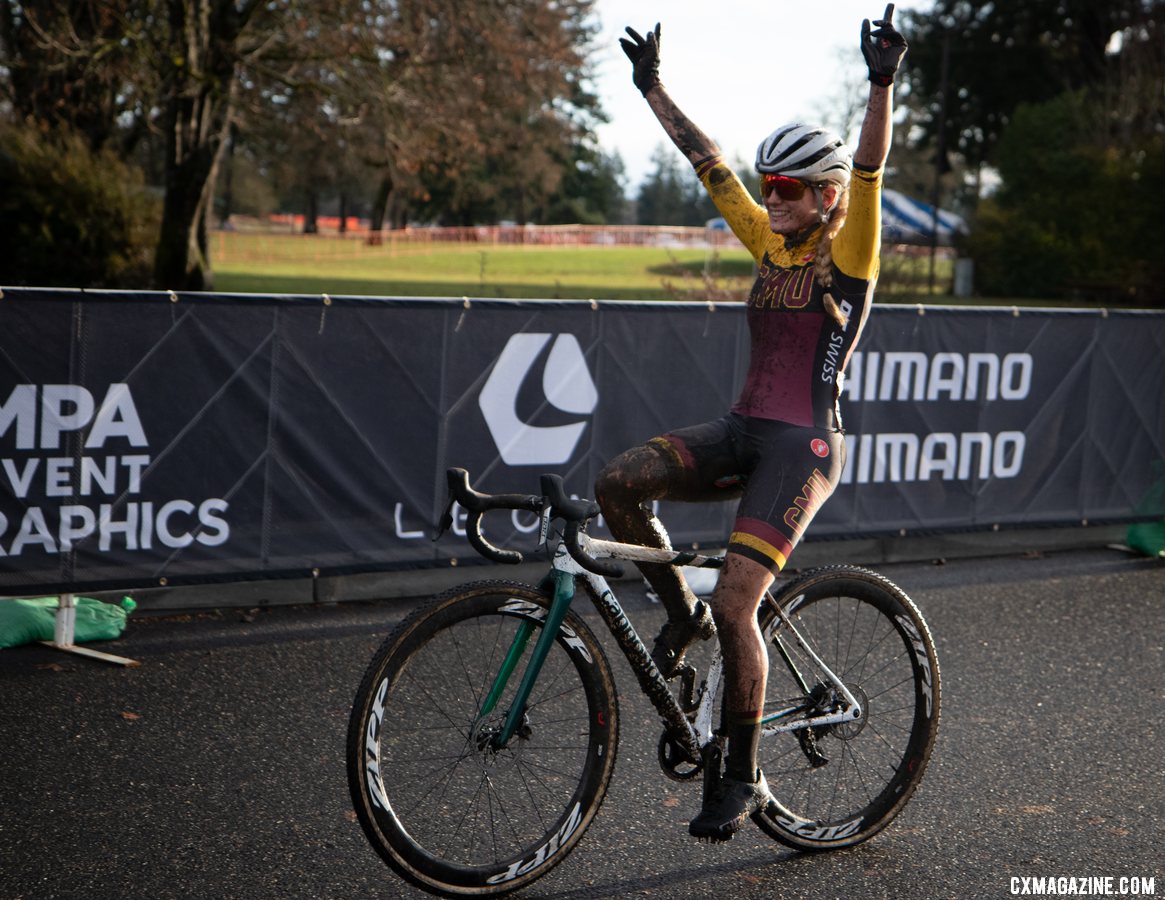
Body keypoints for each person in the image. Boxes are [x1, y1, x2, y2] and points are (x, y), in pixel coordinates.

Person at [596, 6, 908, 842]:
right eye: (768, 187)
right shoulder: (769, 246)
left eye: (787, 189)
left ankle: (741, 775)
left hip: (801, 448)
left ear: (827, 198)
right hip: (742, 428)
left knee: (740, 604)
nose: (769, 200)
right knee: (616, 484)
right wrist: (652, 88)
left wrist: (881, 82)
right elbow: (708, 164)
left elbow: (872, 165)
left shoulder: (851, 254)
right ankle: (678, 614)